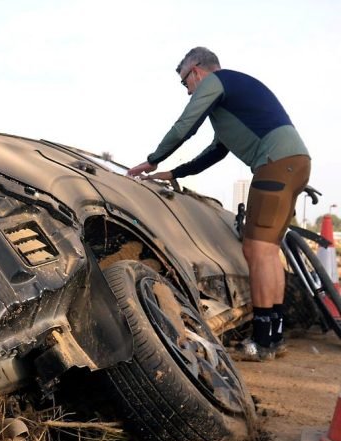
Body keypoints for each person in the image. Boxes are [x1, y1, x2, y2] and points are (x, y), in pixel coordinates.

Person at [127, 47, 310, 362]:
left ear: (196, 71)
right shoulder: (232, 102)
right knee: (269, 251)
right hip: (295, 163)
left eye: (186, 83)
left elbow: (187, 124)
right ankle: (274, 338)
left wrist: (152, 160)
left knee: (257, 251)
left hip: (276, 164)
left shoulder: (217, 82)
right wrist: (172, 172)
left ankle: (263, 342)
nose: (187, 91)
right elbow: (215, 152)